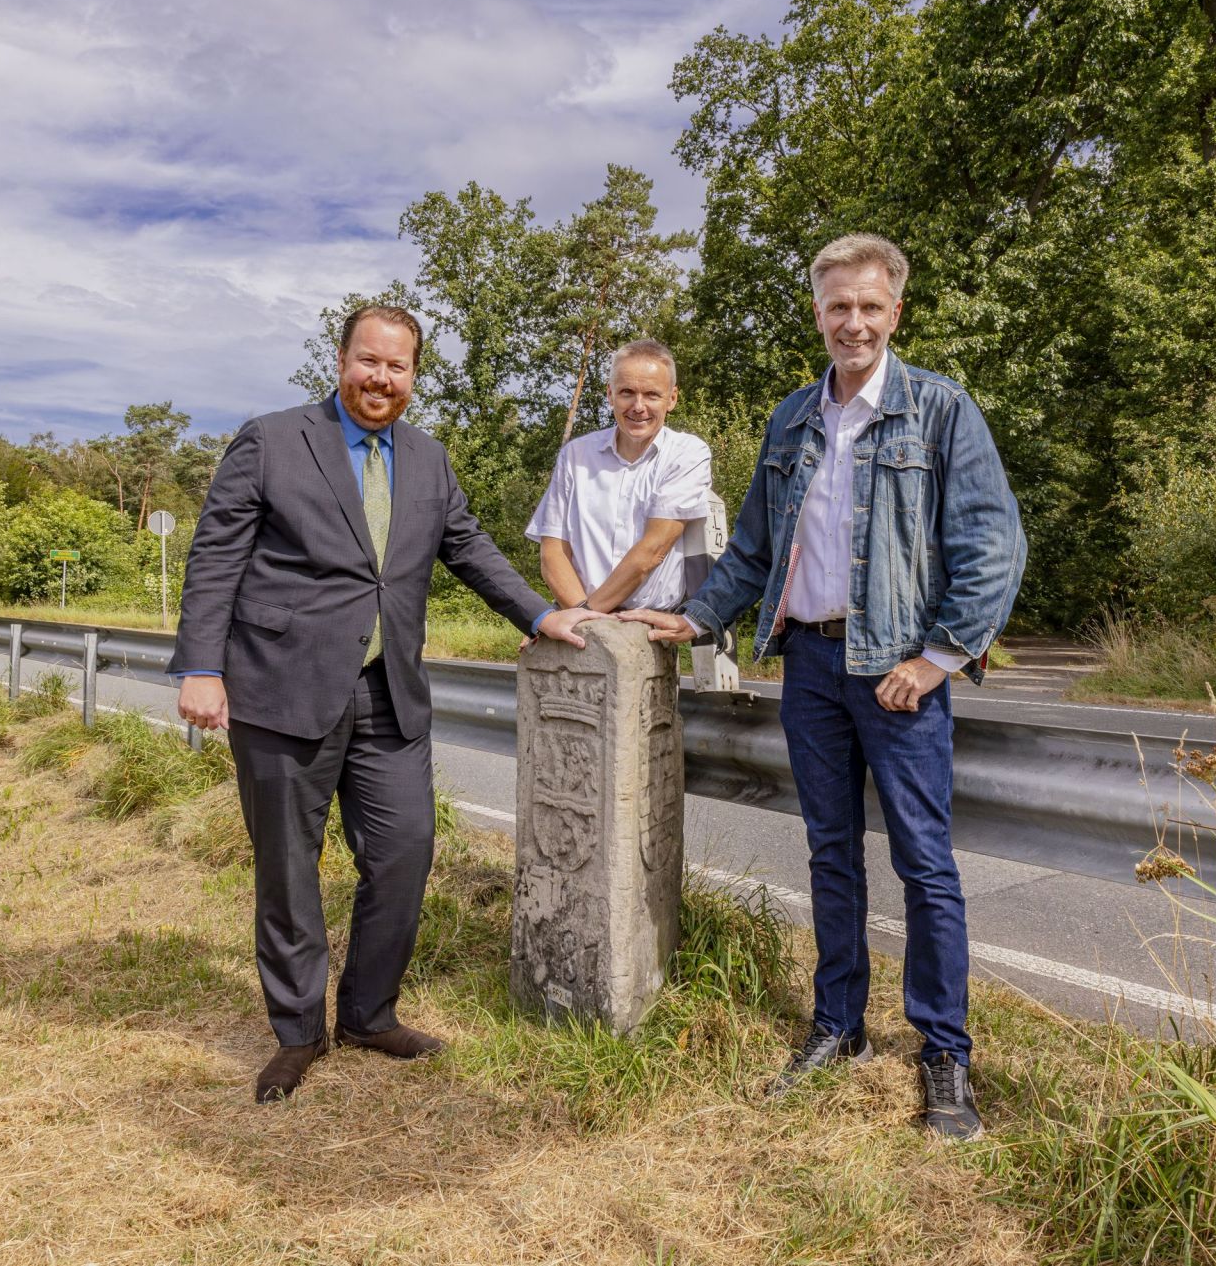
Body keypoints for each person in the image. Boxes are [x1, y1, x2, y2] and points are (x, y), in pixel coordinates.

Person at [622, 234, 1024, 1140]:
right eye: (838, 306)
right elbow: (755, 550)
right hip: (807, 663)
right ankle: (837, 1027)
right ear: (818, 311)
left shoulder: (940, 410)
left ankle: (943, 1053)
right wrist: (696, 618)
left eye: (870, 306)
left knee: (924, 862)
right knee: (830, 854)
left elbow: (993, 546)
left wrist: (937, 658)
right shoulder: (792, 418)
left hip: (897, 673)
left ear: (895, 312)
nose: (854, 321)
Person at [169, 304, 601, 1103]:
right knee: (290, 868)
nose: (381, 378)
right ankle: (298, 1031)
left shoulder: (429, 459)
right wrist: (201, 664)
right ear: (340, 361)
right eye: (369, 361)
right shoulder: (272, 439)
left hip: (389, 693)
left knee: (405, 850)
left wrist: (541, 615)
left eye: (398, 367)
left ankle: (368, 1011)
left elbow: (467, 546)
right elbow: (216, 552)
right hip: (279, 687)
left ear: (412, 376)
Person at [527, 339, 713, 613]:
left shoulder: (687, 453)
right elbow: (553, 551)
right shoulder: (576, 455)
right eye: (627, 392)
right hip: (575, 613)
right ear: (610, 394)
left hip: (643, 626)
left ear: (672, 399)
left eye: (651, 394)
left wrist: (584, 618)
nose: (638, 406)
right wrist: (581, 620)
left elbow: (653, 550)